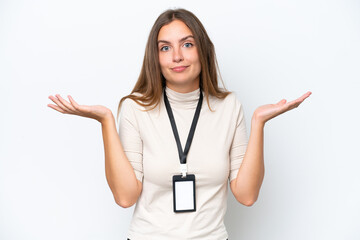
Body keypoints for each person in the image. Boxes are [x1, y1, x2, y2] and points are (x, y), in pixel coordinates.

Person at [48, 8, 311, 240]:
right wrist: (105, 120)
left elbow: (247, 195)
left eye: (187, 44)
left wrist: (258, 123)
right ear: (156, 57)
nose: (176, 56)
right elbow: (125, 197)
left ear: (202, 50)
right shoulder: (135, 108)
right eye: (165, 47)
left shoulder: (229, 106)